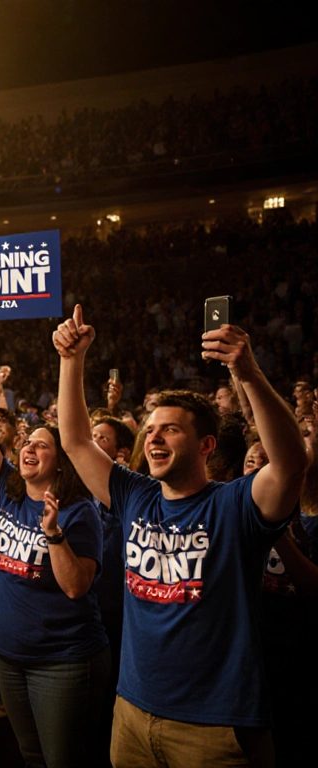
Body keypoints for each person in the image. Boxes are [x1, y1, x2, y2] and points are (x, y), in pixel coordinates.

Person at [54, 305, 306, 767]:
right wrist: (72, 361)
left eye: (170, 430)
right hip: (133, 712)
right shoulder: (135, 495)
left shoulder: (234, 504)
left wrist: (247, 374)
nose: (153, 438)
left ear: (206, 445)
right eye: (150, 430)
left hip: (214, 727)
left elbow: (290, 464)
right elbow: (74, 441)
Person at [0, 327, 109, 768]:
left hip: (62, 661)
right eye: (27, 442)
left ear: (60, 463)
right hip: (8, 655)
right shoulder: (7, 490)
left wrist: (53, 534)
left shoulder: (79, 512)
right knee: (31, 756)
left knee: (63, 761)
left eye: (41, 445)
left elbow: (76, 587)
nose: (28, 447)